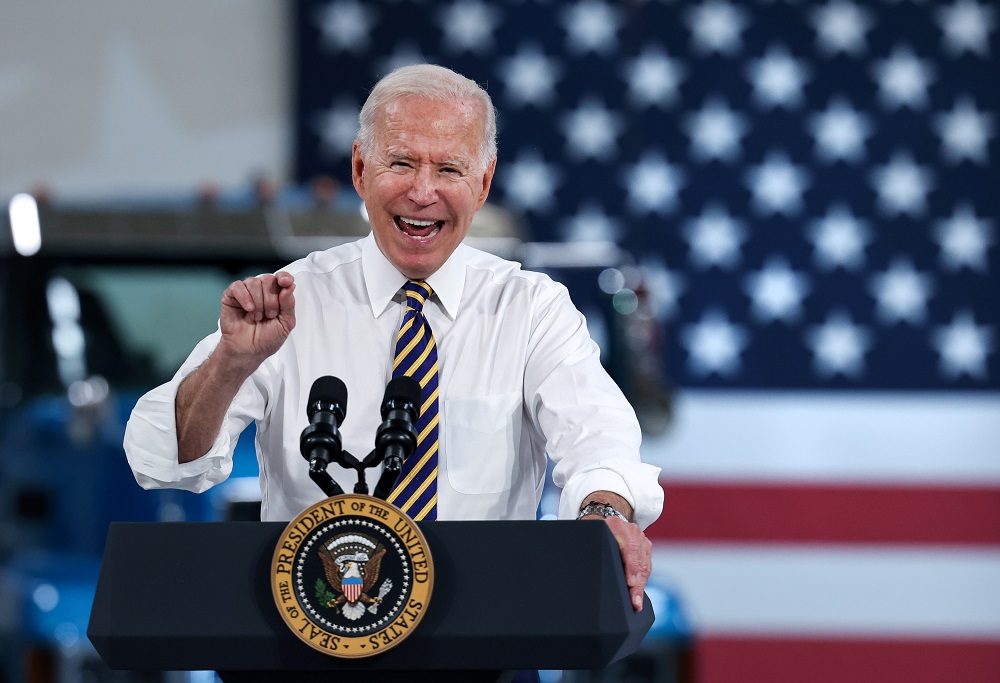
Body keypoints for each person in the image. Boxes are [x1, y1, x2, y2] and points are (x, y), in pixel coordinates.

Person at [124, 64, 663, 611]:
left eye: (449, 169)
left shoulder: (531, 310)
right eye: (401, 163)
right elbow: (163, 461)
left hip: (485, 631)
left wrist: (604, 512)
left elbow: (597, 436)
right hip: (313, 631)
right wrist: (230, 364)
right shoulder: (289, 302)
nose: (422, 192)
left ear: (483, 184)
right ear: (360, 170)